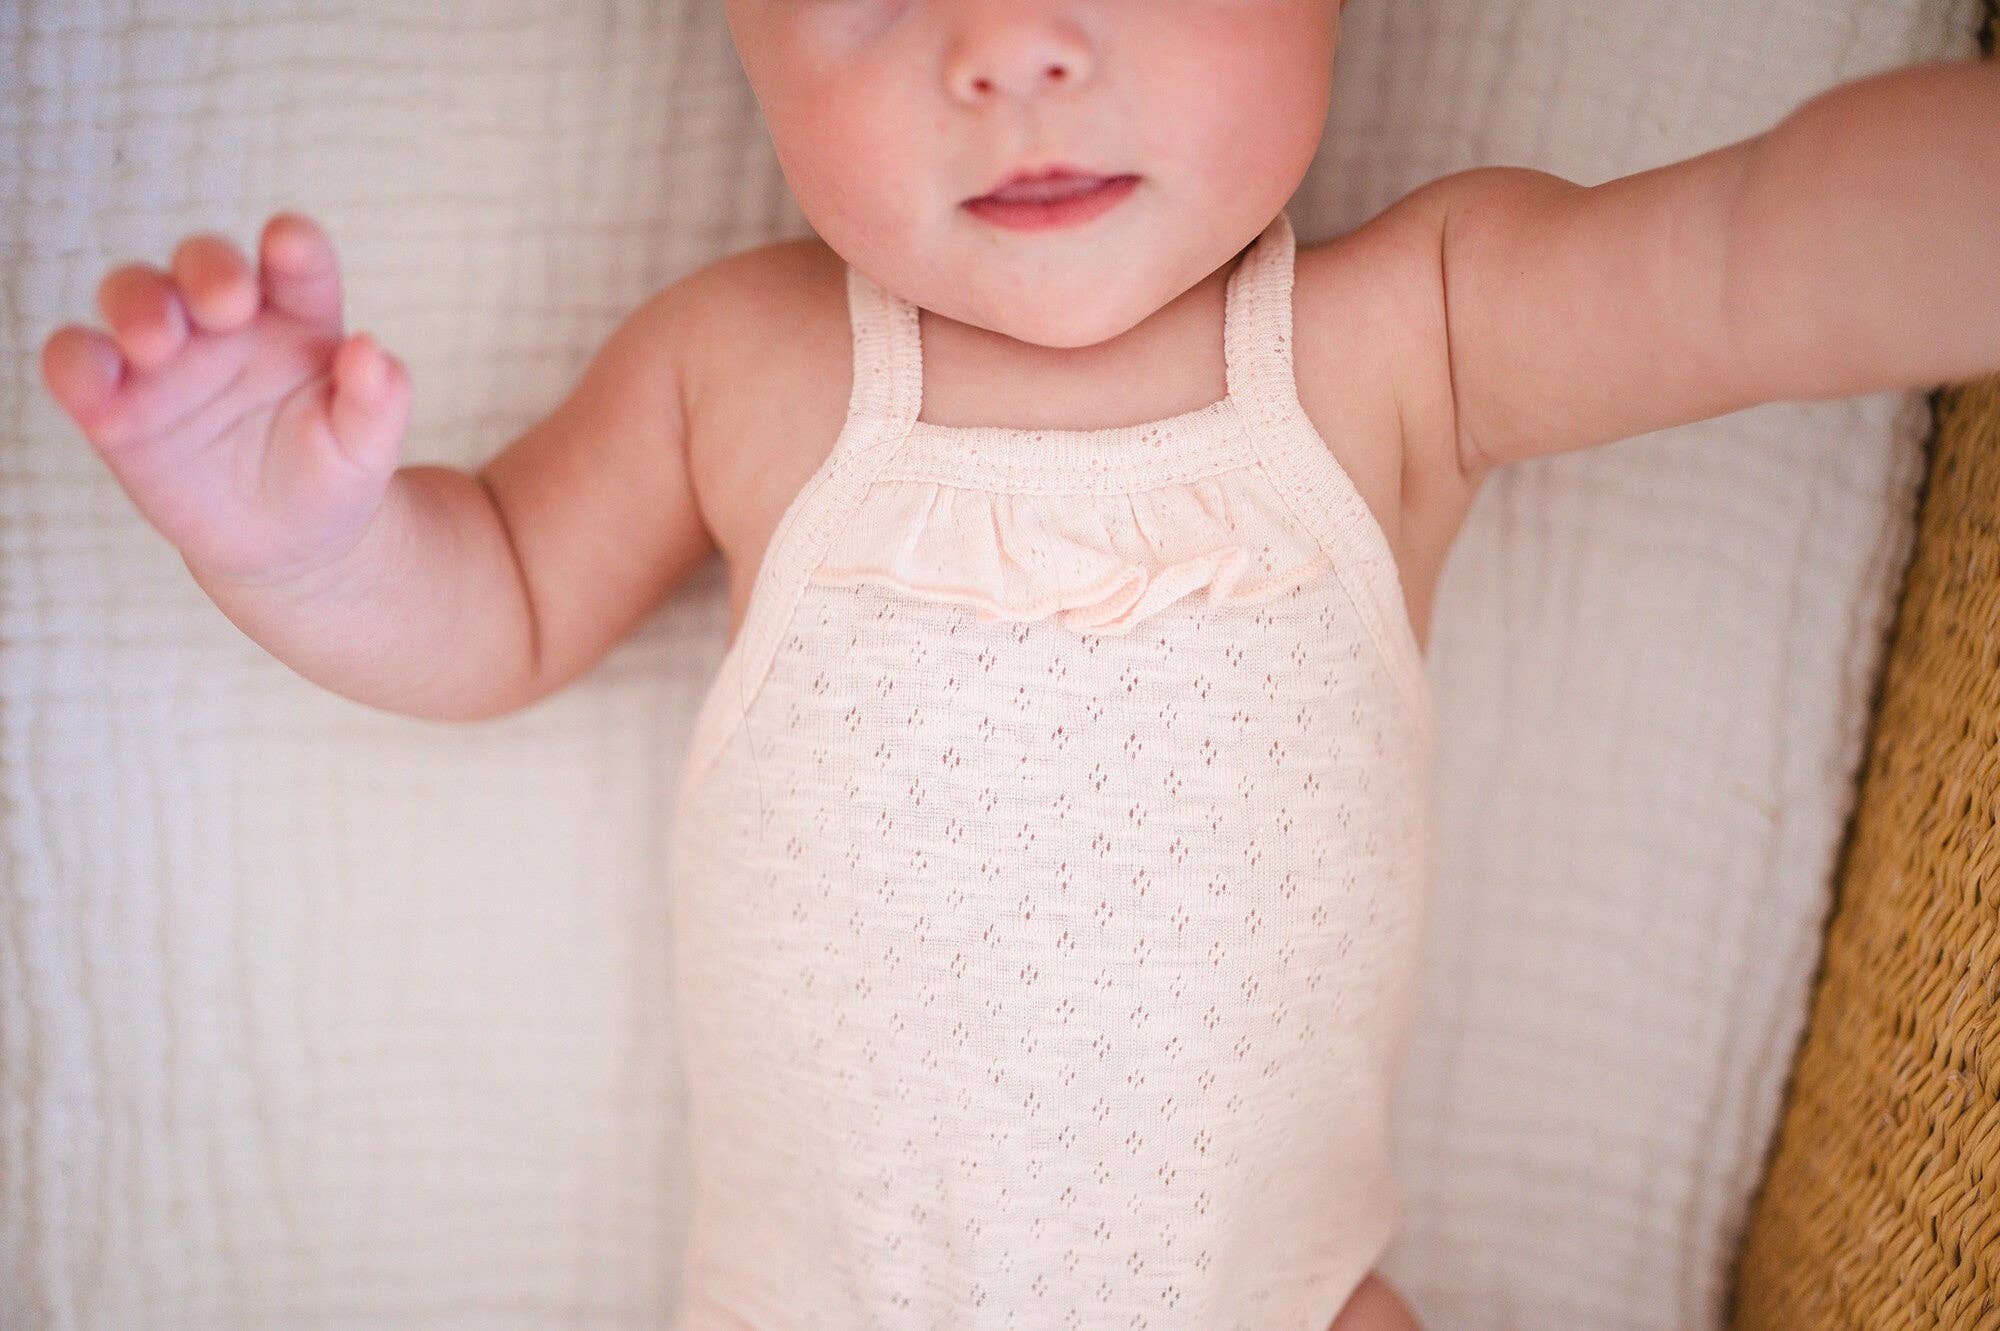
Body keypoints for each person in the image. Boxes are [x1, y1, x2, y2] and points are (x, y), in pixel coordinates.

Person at [36, 3, 2000, 1326]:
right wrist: (308, 542)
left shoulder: (1408, 338)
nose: (1009, 51)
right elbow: (505, 602)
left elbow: (1754, 255)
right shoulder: (747, 362)